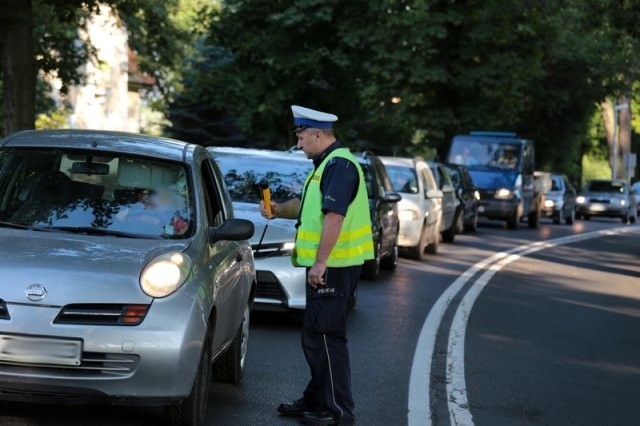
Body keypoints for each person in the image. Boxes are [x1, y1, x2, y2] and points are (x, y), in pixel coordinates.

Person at [260, 105, 374, 425]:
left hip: (335, 266)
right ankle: (317, 397)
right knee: (316, 335)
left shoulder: (339, 166)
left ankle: (337, 410)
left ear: (318, 134)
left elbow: (334, 217)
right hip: (333, 266)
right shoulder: (326, 165)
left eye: (301, 137)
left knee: (325, 336)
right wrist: (278, 209)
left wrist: (320, 263)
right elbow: (311, 205)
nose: (298, 144)